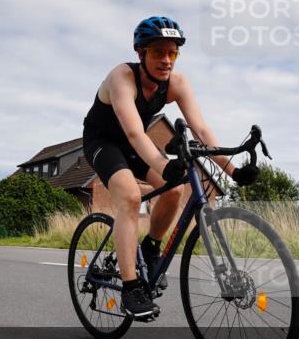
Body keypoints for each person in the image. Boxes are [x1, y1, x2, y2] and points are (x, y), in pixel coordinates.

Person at [83, 16, 259, 318]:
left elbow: (201, 129)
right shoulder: (121, 77)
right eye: (158, 53)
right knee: (129, 197)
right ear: (141, 54)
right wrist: (163, 165)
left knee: (176, 190)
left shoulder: (176, 83)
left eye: (172, 53)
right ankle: (131, 288)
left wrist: (234, 172)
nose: (166, 60)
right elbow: (135, 133)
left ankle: (151, 248)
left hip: (134, 144)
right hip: (103, 141)